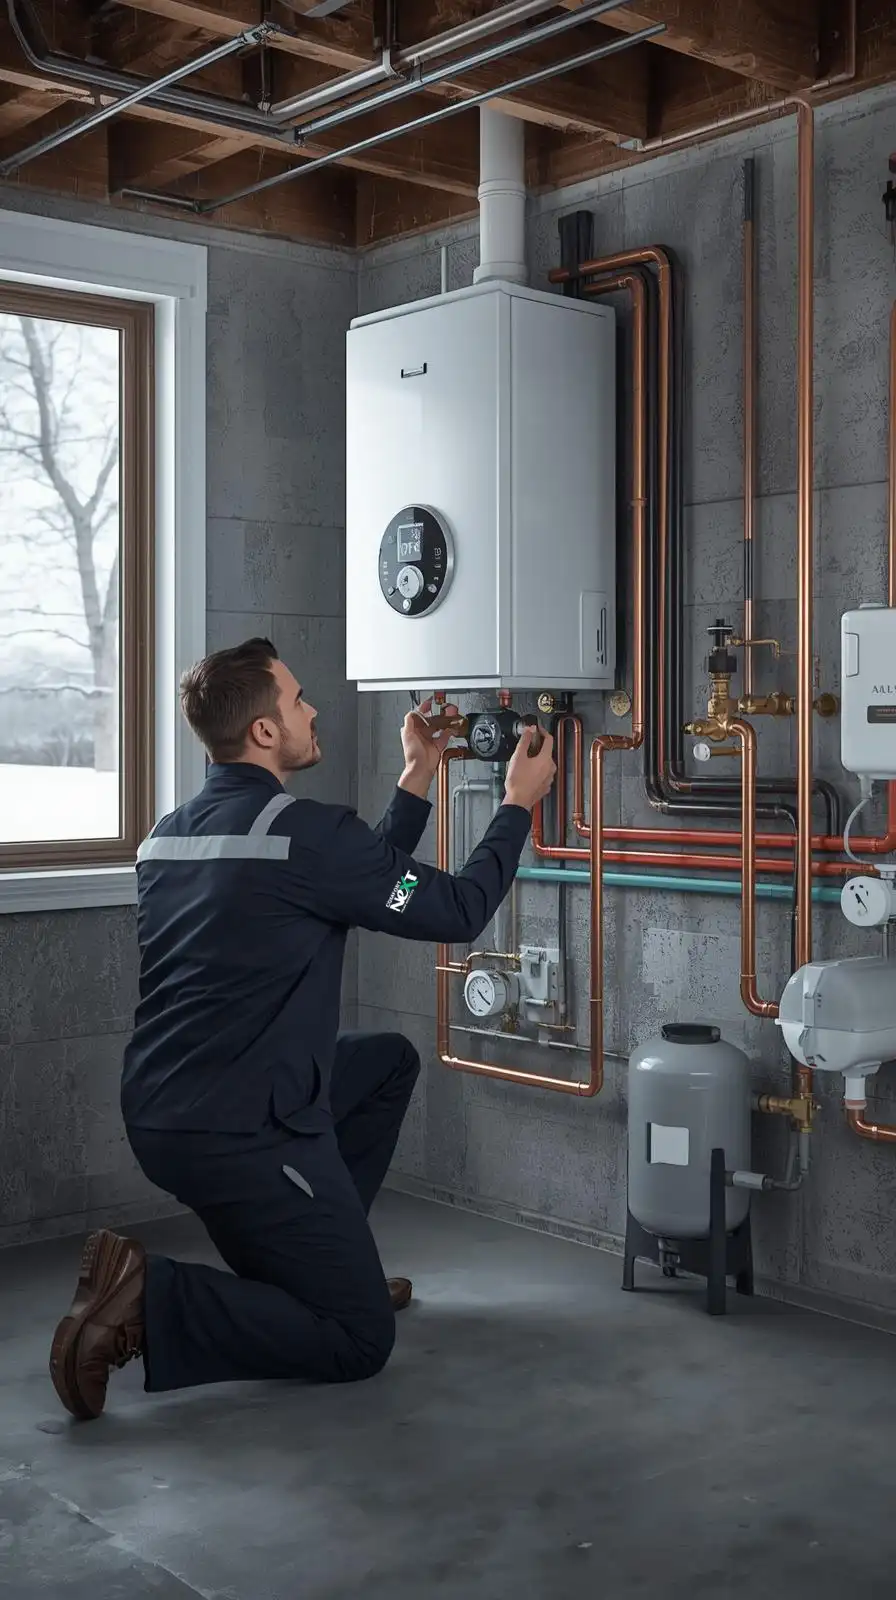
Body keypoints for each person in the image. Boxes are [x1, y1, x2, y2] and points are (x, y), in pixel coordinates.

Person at [49, 637, 556, 1420]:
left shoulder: (169, 834)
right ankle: (153, 1297)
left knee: (384, 1063)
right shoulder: (306, 833)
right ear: (262, 732)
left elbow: (354, 876)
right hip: (246, 1127)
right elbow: (457, 908)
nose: (312, 710)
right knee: (357, 1340)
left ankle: (327, 1263)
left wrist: (418, 774)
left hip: (162, 1109)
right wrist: (517, 805)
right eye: (295, 700)